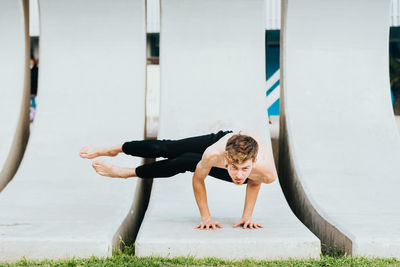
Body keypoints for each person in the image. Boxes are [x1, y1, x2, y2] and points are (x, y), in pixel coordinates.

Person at [79, 130, 277, 230]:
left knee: (184, 162)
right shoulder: (213, 155)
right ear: (225, 160)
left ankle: (126, 172)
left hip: (242, 155)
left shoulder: (265, 172)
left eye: (245, 169)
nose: (239, 175)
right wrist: (206, 216)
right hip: (221, 141)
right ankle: (114, 149)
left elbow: (254, 180)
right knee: (166, 149)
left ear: (254, 161)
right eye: (234, 168)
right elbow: (198, 180)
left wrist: (247, 216)